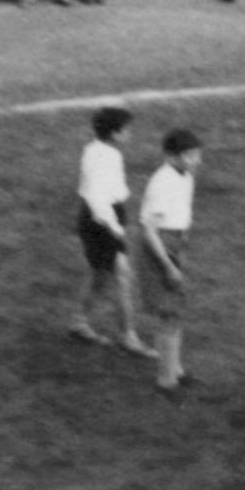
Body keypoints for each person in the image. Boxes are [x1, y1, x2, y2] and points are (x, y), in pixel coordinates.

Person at [68, 105, 153, 357]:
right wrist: (116, 229)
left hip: (98, 219)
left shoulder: (94, 149)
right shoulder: (107, 157)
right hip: (102, 222)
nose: (130, 134)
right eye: (127, 130)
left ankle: (79, 322)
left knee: (101, 276)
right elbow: (97, 199)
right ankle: (129, 337)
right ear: (115, 134)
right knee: (123, 278)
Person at [137, 128, 204, 397]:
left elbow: (182, 216)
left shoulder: (186, 176)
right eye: (190, 156)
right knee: (168, 315)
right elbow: (149, 231)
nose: (196, 160)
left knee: (176, 312)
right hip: (159, 250)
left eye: (197, 155)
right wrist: (168, 265)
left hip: (175, 245)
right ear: (171, 156)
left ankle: (175, 371)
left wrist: (182, 249)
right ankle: (165, 381)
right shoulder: (161, 183)